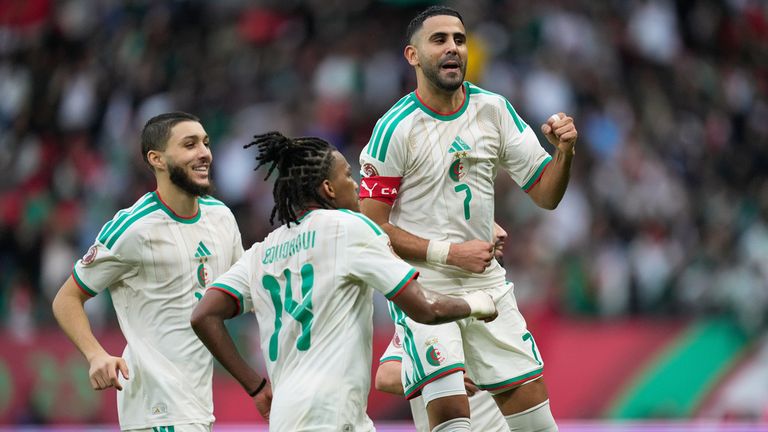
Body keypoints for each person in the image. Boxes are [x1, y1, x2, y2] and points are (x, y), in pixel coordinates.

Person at [359, 5, 578, 432]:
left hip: (489, 288)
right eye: (439, 40)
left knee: (539, 427)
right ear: (412, 55)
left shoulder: (493, 110)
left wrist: (565, 152)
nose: (452, 48)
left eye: (459, 39)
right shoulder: (395, 129)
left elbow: (547, 195)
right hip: (423, 292)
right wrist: (450, 253)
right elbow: (371, 230)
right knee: (456, 423)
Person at [190, 132, 498, 432]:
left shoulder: (261, 252)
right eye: (347, 176)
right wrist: (477, 304)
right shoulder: (350, 228)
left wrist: (255, 386)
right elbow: (425, 308)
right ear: (329, 188)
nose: (356, 185)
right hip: (334, 414)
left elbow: (203, 315)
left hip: (284, 418)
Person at [52, 112, 244, 432]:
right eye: (189, 144)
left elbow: (244, 291)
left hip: (196, 403)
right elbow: (66, 298)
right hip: (157, 409)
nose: (204, 152)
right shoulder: (132, 228)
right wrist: (95, 355)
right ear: (157, 159)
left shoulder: (221, 217)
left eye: (206, 143)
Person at [375, 224, 510, 432]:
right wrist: (444, 377)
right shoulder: (438, 313)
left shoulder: (504, 309)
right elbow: (385, 376)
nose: (502, 233)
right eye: (490, 225)